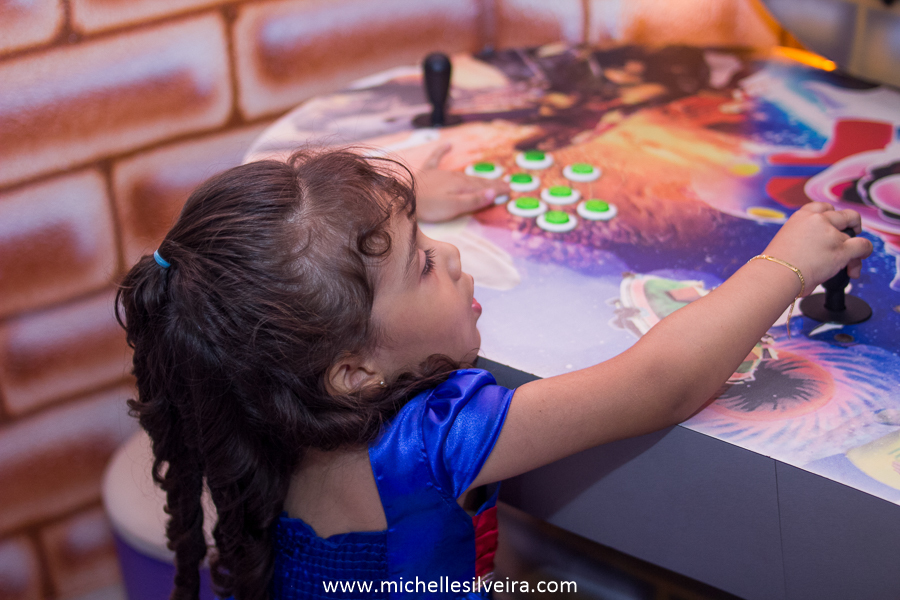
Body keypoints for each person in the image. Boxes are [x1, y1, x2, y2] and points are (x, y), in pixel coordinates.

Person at [116, 148, 871, 600]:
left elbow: (286, 243)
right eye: (421, 262)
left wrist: (386, 222)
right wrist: (787, 263)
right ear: (353, 372)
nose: (449, 257)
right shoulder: (437, 442)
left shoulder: (269, 395)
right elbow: (662, 383)